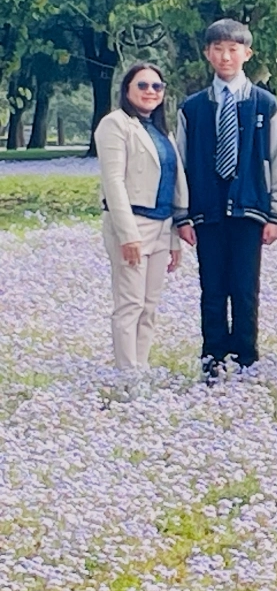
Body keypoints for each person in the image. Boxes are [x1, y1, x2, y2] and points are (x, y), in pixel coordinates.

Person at [175, 19, 277, 378]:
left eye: (233, 49)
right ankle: (212, 357)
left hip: (250, 208)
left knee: (244, 287)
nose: (226, 56)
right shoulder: (192, 108)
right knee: (211, 287)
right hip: (206, 209)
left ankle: (245, 358)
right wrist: (182, 215)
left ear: (247, 54)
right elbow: (181, 164)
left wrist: (276, 214)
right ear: (208, 54)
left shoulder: (265, 104)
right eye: (218, 49)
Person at [94, 62, 188, 369]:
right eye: (143, 85)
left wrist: (173, 237)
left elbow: (171, 185)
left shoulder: (162, 130)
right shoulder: (114, 124)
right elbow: (114, 182)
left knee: (149, 305)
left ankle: (141, 369)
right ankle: (127, 374)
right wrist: (128, 235)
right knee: (130, 303)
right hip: (132, 223)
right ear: (127, 90)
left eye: (156, 86)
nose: (150, 91)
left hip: (162, 225)